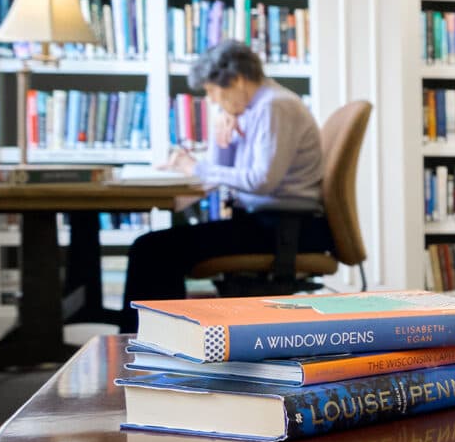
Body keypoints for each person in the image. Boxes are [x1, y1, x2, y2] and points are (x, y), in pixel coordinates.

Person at [119, 42, 331, 331]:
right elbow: (225, 173)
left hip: (286, 229)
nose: (213, 100)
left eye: (211, 91)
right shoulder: (255, 107)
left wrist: (198, 168)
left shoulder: (275, 106)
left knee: (152, 249)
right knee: (155, 248)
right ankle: (155, 339)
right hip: (269, 223)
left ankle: (146, 342)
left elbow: (260, 180)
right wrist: (222, 134)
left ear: (236, 80)